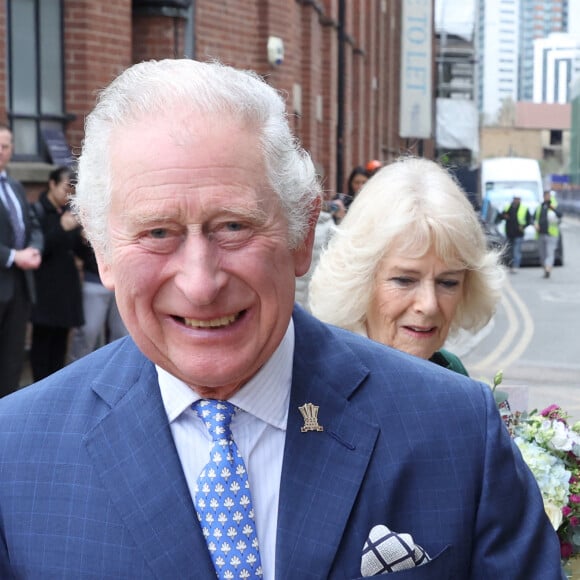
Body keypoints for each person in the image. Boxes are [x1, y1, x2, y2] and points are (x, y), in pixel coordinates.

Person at [0, 60, 563, 579]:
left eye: (234, 226)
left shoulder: (457, 430)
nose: (201, 283)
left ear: (301, 233)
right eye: (157, 233)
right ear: (102, 251)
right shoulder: (15, 453)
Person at [309, 156, 505, 376]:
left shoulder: (451, 371)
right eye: (404, 280)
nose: (429, 305)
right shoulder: (323, 384)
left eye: (448, 282)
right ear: (358, 280)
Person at [29, 166, 84, 382]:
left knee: (60, 344)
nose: (68, 195)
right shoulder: (38, 210)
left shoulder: (68, 212)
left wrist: (84, 239)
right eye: (65, 188)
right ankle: (37, 388)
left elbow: (77, 252)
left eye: (73, 191)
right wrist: (61, 229)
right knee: (42, 344)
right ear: (51, 184)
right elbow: (39, 248)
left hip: (66, 291)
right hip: (44, 291)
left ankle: (54, 385)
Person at [0, 123, 43, 396]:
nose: (0, 151)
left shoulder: (15, 186)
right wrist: (14, 256)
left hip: (20, 287)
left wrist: (35, 249)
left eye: (5, 146)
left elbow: (33, 224)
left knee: (13, 357)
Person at [67, 238, 127, 362]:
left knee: (123, 334)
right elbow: (76, 247)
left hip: (125, 282)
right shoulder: (90, 222)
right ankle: (79, 372)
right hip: (95, 279)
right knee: (88, 332)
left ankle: (117, 372)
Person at [495, 193, 531, 273]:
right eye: (515, 199)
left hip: (519, 233)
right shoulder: (508, 207)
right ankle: (510, 265)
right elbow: (501, 216)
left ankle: (515, 266)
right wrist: (504, 216)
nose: (516, 200)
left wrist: (523, 226)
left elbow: (529, 220)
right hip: (509, 233)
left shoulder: (524, 208)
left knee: (516, 250)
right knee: (510, 251)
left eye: (517, 199)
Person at [535, 189, 562, 279]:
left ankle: (548, 269)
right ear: (543, 196)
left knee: (550, 253)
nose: (547, 197)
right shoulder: (540, 206)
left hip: (552, 234)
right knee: (542, 255)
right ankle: (545, 269)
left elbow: (560, 215)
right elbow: (534, 218)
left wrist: (553, 209)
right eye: (545, 195)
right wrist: (535, 224)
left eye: (548, 195)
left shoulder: (555, 205)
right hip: (541, 234)